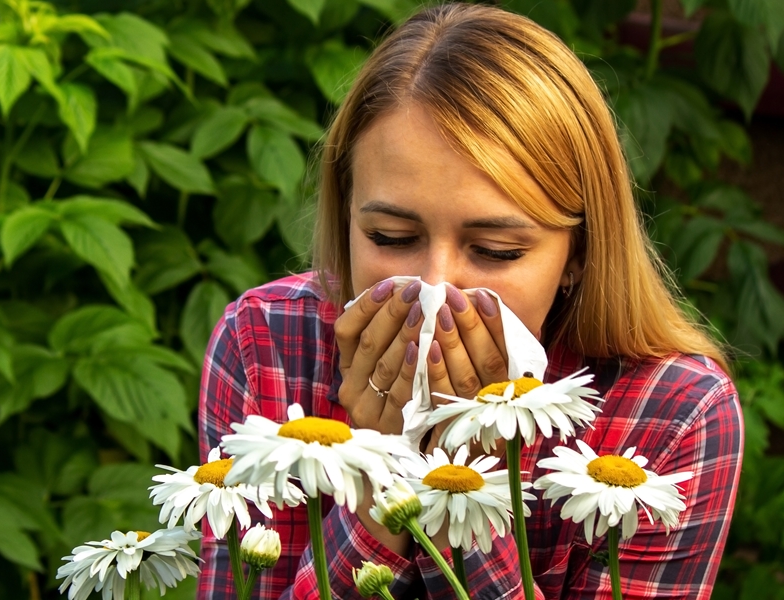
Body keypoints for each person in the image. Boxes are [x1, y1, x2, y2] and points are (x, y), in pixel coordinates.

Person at [196, 3, 743, 599]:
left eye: (495, 249)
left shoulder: (674, 412)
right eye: (391, 238)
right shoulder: (267, 340)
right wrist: (382, 474)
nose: (438, 288)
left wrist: (466, 490)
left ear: (579, 253)